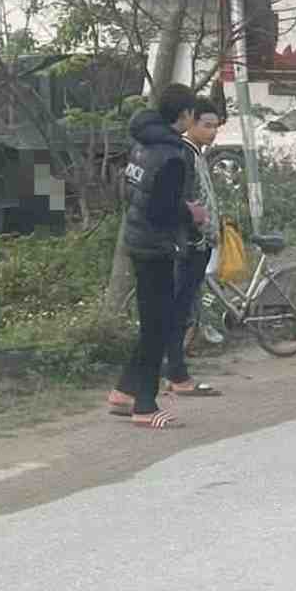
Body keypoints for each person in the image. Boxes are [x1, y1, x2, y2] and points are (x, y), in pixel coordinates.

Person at [108, 84, 201, 429]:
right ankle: (145, 406)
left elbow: (133, 192)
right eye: (193, 114)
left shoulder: (142, 143)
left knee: (153, 325)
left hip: (136, 238)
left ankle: (124, 391)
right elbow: (164, 211)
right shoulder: (174, 155)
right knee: (157, 329)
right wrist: (192, 214)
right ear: (186, 115)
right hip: (155, 246)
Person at [163, 98, 224, 399]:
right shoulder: (185, 155)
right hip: (191, 244)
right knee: (180, 310)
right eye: (206, 125)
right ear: (191, 122)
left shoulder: (194, 153)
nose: (212, 132)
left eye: (216, 126)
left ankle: (174, 370)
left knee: (183, 308)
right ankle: (175, 373)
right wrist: (199, 231)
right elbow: (189, 201)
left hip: (197, 242)